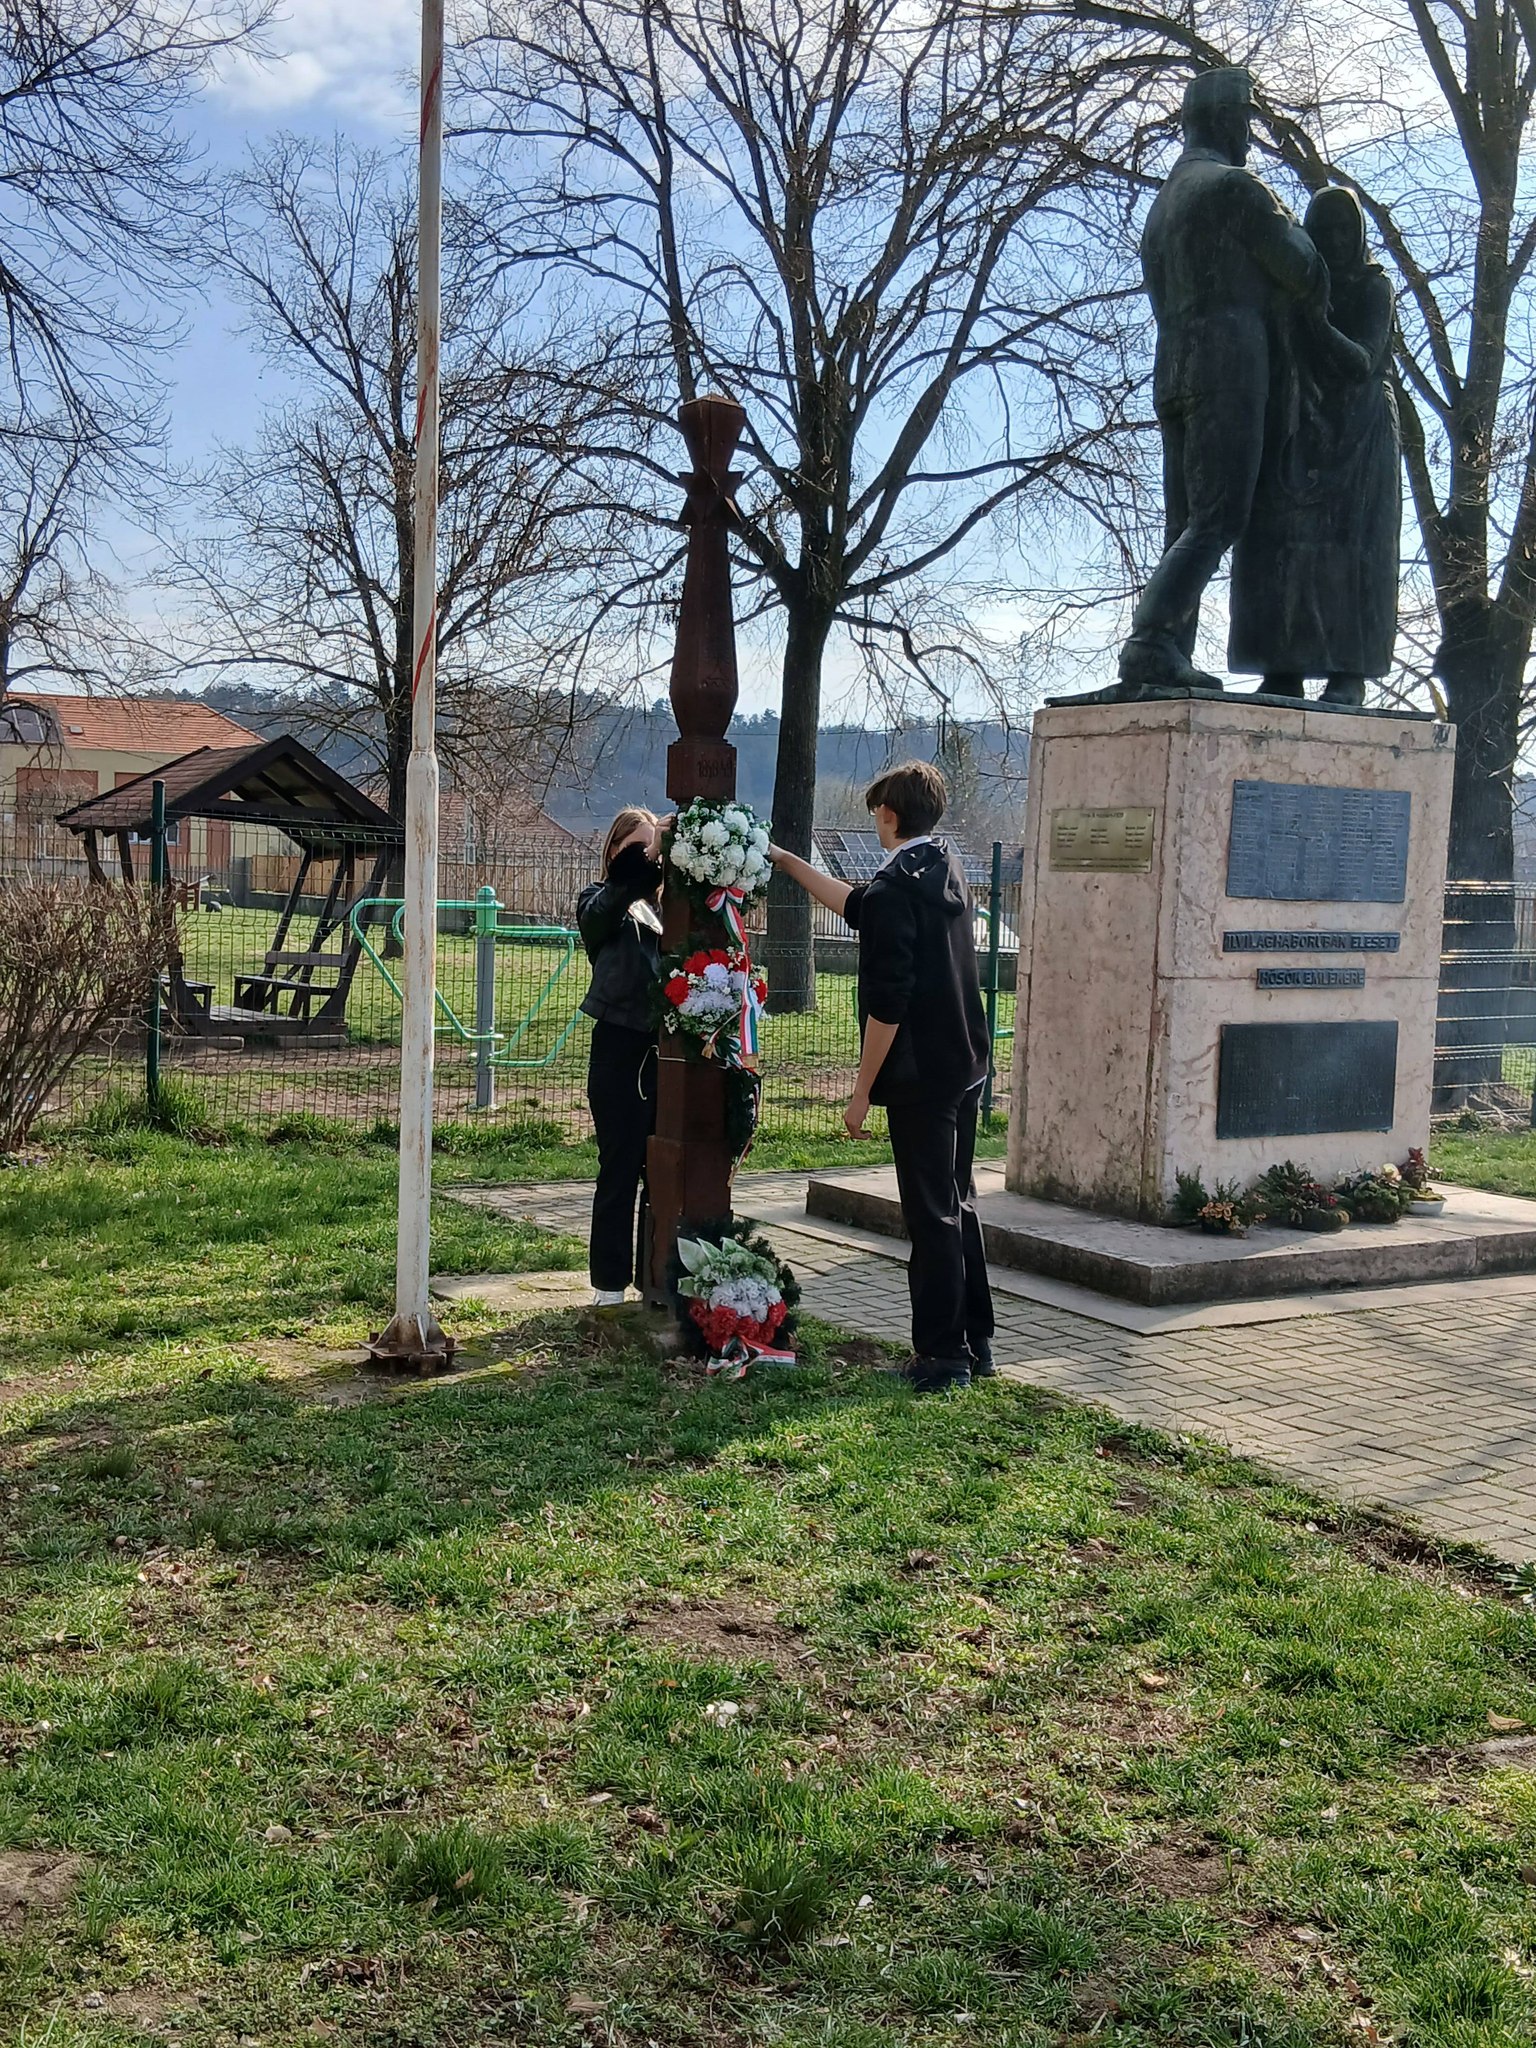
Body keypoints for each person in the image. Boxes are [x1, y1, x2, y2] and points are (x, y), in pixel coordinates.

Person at [770, 762, 994, 1392]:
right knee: (957, 1203)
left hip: (922, 1077)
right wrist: (787, 861)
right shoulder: (943, 868)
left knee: (930, 1215)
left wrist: (862, 1091)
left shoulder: (898, 889)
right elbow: (857, 904)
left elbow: (888, 1006)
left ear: (889, 816)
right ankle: (976, 1341)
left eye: (876, 813)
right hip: (965, 1063)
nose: (875, 821)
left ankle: (942, 1356)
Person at [1118, 67, 1327, 697]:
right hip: (1230, 364)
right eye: (1245, 120)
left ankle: (1169, 653)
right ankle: (1152, 642)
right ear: (1227, 120)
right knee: (1218, 518)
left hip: (1173, 364)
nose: (1248, 134)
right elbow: (1302, 266)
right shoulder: (1235, 188)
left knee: (1185, 520)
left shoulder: (1164, 205)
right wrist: (1298, 232)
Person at [1228, 185, 1401, 704]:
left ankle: (1349, 672)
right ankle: (1282, 664)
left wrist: (1316, 321)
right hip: (1299, 424)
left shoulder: (1374, 287)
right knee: (1280, 544)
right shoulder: (1294, 287)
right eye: (1325, 232)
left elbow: (1362, 361)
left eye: (1346, 230)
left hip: (1360, 432)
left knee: (1354, 552)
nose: (1337, 241)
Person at [578, 808, 665, 1307]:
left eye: (654, 846)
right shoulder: (598, 899)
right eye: (636, 847)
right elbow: (602, 913)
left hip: (666, 1054)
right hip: (618, 1048)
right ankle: (608, 1284)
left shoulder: (669, 907)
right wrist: (639, 868)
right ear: (613, 851)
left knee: (662, 1169)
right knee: (619, 1167)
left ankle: (657, 1278)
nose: (648, 856)